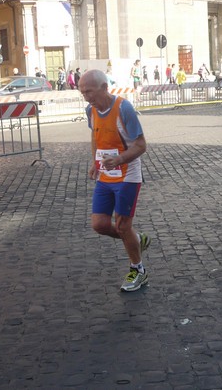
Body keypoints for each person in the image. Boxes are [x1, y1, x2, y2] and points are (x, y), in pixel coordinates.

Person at [78, 69, 151, 292]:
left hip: (127, 175)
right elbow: (95, 136)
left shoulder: (124, 108)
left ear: (104, 87)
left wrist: (119, 159)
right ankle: (136, 239)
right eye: (82, 92)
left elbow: (141, 145)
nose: (86, 96)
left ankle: (138, 270)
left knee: (121, 225)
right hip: (105, 174)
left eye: (89, 91)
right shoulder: (90, 110)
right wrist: (95, 162)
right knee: (99, 225)